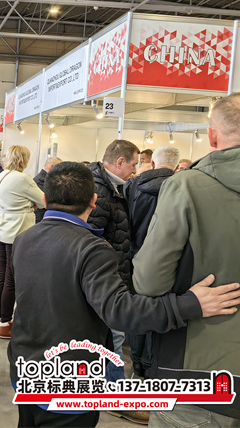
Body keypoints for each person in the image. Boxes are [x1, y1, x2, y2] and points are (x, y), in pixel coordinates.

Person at [8, 161, 240, 428]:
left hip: (25, 367)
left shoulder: (25, 239)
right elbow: (119, 312)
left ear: (44, 199)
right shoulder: (90, 248)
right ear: (93, 200)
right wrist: (189, 305)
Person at [133, 93, 240, 425]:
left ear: (212, 135)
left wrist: (188, 303)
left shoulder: (186, 186)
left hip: (199, 370)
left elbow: (149, 282)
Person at [87, 139, 143, 424]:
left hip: (110, 276)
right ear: (120, 162)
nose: (135, 170)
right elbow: (90, 239)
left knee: (111, 338)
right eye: (133, 164)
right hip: (106, 279)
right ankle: (115, 397)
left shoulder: (108, 186)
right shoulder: (101, 190)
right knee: (114, 337)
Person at [124, 145, 179, 380]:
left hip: (135, 257)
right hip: (170, 261)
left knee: (137, 311)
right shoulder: (181, 187)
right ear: (176, 166)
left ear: (153, 163)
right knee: (164, 312)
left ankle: (137, 365)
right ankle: (152, 366)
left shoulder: (132, 186)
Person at [0, 145, 44, 339]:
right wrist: (31, 204)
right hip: (19, 230)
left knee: (2, 277)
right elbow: (43, 201)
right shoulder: (23, 179)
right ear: (24, 159)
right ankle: (6, 323)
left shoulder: (1, 175)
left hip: (2, 228)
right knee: (11, 279)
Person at [33, 156, 62, 224]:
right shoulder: (42, 181)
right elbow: (48, 200)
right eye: (60, 168)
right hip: (40, 219)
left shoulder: (44, 179)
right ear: (52, 166)